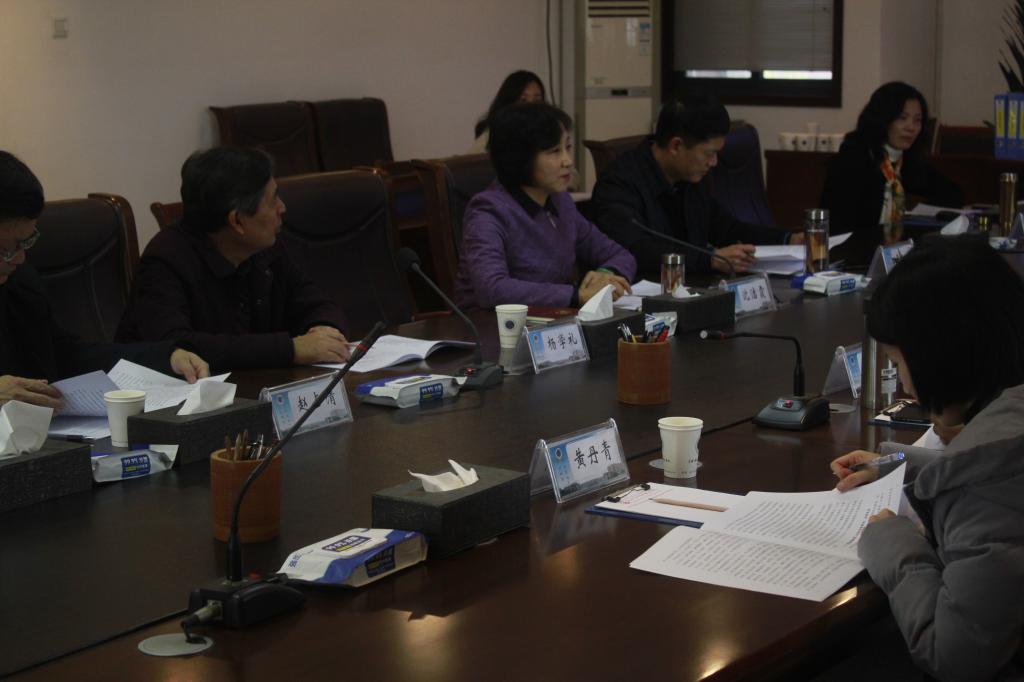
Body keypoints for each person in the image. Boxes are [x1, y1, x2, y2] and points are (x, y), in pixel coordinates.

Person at [830, 236, 1024, 680]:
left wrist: (891, 541)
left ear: (942, 356)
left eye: (899, 362)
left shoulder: (988, 487)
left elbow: (953, 656)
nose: (903, 384)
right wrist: (904, 467)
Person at [0, 151, 208, 409]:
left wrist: (165, 357)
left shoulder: (18, 280)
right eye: (5, 249)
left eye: (26, 242)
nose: (19, 258)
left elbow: (65, 356)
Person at [117, 147, 351, 372]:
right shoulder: (164, 262)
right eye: (273, 201)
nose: (282, 208)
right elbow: (177, 347)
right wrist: (290, 349)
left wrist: (323, 329)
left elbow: (315, 302)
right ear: (237, 221)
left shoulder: (263, 247)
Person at [590, 96, 792, 282]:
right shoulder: (618, 184)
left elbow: (727, 229)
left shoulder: (691, 177)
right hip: (647, 297)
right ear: (676, 146)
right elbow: (637, 250)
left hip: (693, 291)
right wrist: (710, 259)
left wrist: (788, 239)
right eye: (709, 154)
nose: (714, 162)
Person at [455, 102, 635, 310]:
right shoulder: (488, 211)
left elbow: (620, 255)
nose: (567, 161)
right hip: (489, 325)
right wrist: (576, 295)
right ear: (520, 158)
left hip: (551, 320)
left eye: (567, 147)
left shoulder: (561, 202)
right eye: (554, 151)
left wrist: (605, 276)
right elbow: (492, 289)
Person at [821, 81, 964, 268]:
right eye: (902, 118)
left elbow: (954, 194)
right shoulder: (855, 158)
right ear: (882, 119)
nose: (911, 127)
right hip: (850, 260)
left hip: (892, 258)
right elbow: (838, 226)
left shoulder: (905, 161)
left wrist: (914, 214)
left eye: (917, 120)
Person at [468, 70, 546, 155]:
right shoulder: (491, 135)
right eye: (523, 100)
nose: (531, 106)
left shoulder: (548, 133)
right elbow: (469, 162)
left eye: (537, 101)